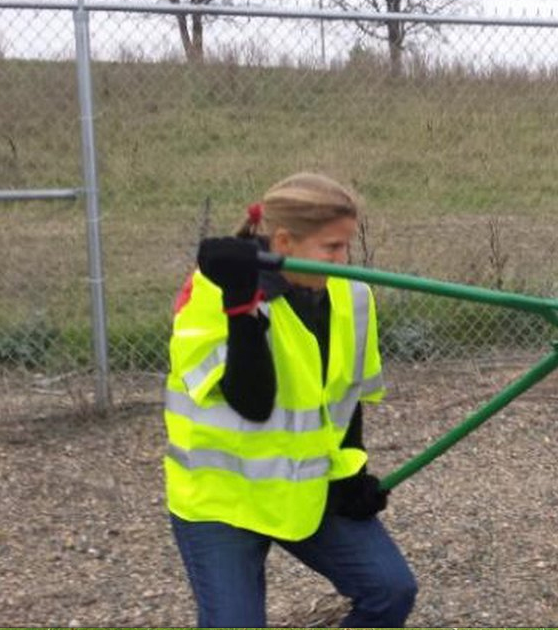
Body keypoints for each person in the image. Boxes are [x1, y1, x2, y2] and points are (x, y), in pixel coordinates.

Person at [163, 172, 418, 627]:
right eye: (332, 248)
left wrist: (352, 472)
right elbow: (252, 402)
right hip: (223, 500)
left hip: (304, 489)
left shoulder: (352, 294)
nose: (345, 260)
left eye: (346, 246)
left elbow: (347, 397)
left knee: (390, 590)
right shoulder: (212, 290)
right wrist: (241, 307)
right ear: (284, 241)